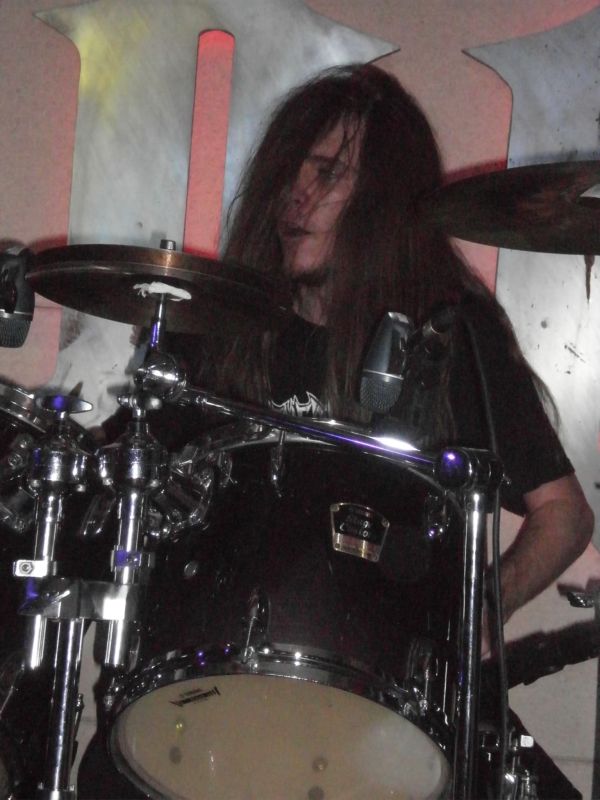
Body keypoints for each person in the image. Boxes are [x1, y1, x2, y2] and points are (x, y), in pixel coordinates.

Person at [77, 62, 593, 798]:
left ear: (382, 198)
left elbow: (564, 513)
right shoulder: (220, 326)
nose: (298, 194)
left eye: (328, 173)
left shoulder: (451, 337)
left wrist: (485, 606)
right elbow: (127, 471)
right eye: (292, 171)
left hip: (395, 700)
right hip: (216, 685)